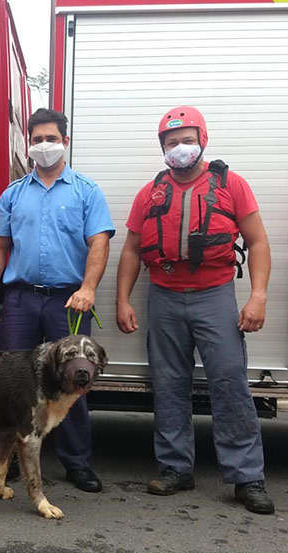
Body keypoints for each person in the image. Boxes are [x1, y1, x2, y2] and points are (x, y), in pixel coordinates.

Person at [115, 106, 274, 514]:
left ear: (202, 140)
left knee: (229, 383)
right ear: (163, 148)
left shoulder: (231, 184)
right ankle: (175, 468)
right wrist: (122, 299)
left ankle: (246, 477)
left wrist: (258, 296)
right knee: (168, 384)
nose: (180, 148)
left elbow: (258, 242)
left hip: (214, 295)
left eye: (187, 140)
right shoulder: (149, 193)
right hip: (164, 297)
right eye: (171, 142)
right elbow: (132, 250)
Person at [0, 108, 114, 493]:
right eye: (37, 139)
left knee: (74, 380)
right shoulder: (14, 194)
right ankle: (6, 462)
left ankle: (77, 462)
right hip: (20, 300)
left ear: (65, 142)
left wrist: (88, 288)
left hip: (68, 302)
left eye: (51, 139)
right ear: (29, 144)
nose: (44, 145)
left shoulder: (86, 191)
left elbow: (99, 242)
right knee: (10, 385)